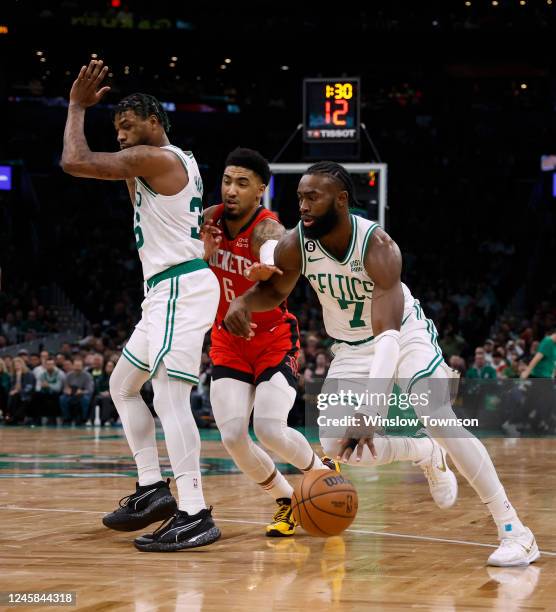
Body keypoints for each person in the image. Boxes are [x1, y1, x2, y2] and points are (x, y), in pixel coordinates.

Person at [224, 161, 538, 567]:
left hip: (402, 334)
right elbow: (272, 288)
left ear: (340, 200)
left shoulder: (378, 246)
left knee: (437, 414)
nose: (302, 205)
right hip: (351, 346)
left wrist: (370, 410)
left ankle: (514, 529)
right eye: (300, 196)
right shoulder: (298, 243)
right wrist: (244, 301)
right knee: (337, 445)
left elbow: (388, 335)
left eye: (312, 197)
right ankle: (423, 452)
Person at [61, 59, 221, 552]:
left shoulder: (158, 158)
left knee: (169, 395)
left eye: (127, 127)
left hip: (180, 287)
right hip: (164, 290)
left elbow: (75, 161)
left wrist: (74, 107)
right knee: (123, 385)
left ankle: (195, 511)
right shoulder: (167, 162)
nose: (123, 137)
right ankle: (153, 488)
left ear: (154, 122)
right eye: (118, 129)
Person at [202, 147, 339, 537]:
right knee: (230, 436)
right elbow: (183, 261)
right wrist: (200, 253)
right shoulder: (208, 220)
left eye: (242, 183)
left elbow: (270, 244)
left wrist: (265, 262)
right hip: (227, 341)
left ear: (260, 190)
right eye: (227, 181)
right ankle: (286, 499)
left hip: (272, 339)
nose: (231, 190)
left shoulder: (269, 227)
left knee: (268, 428)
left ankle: (319, 472)